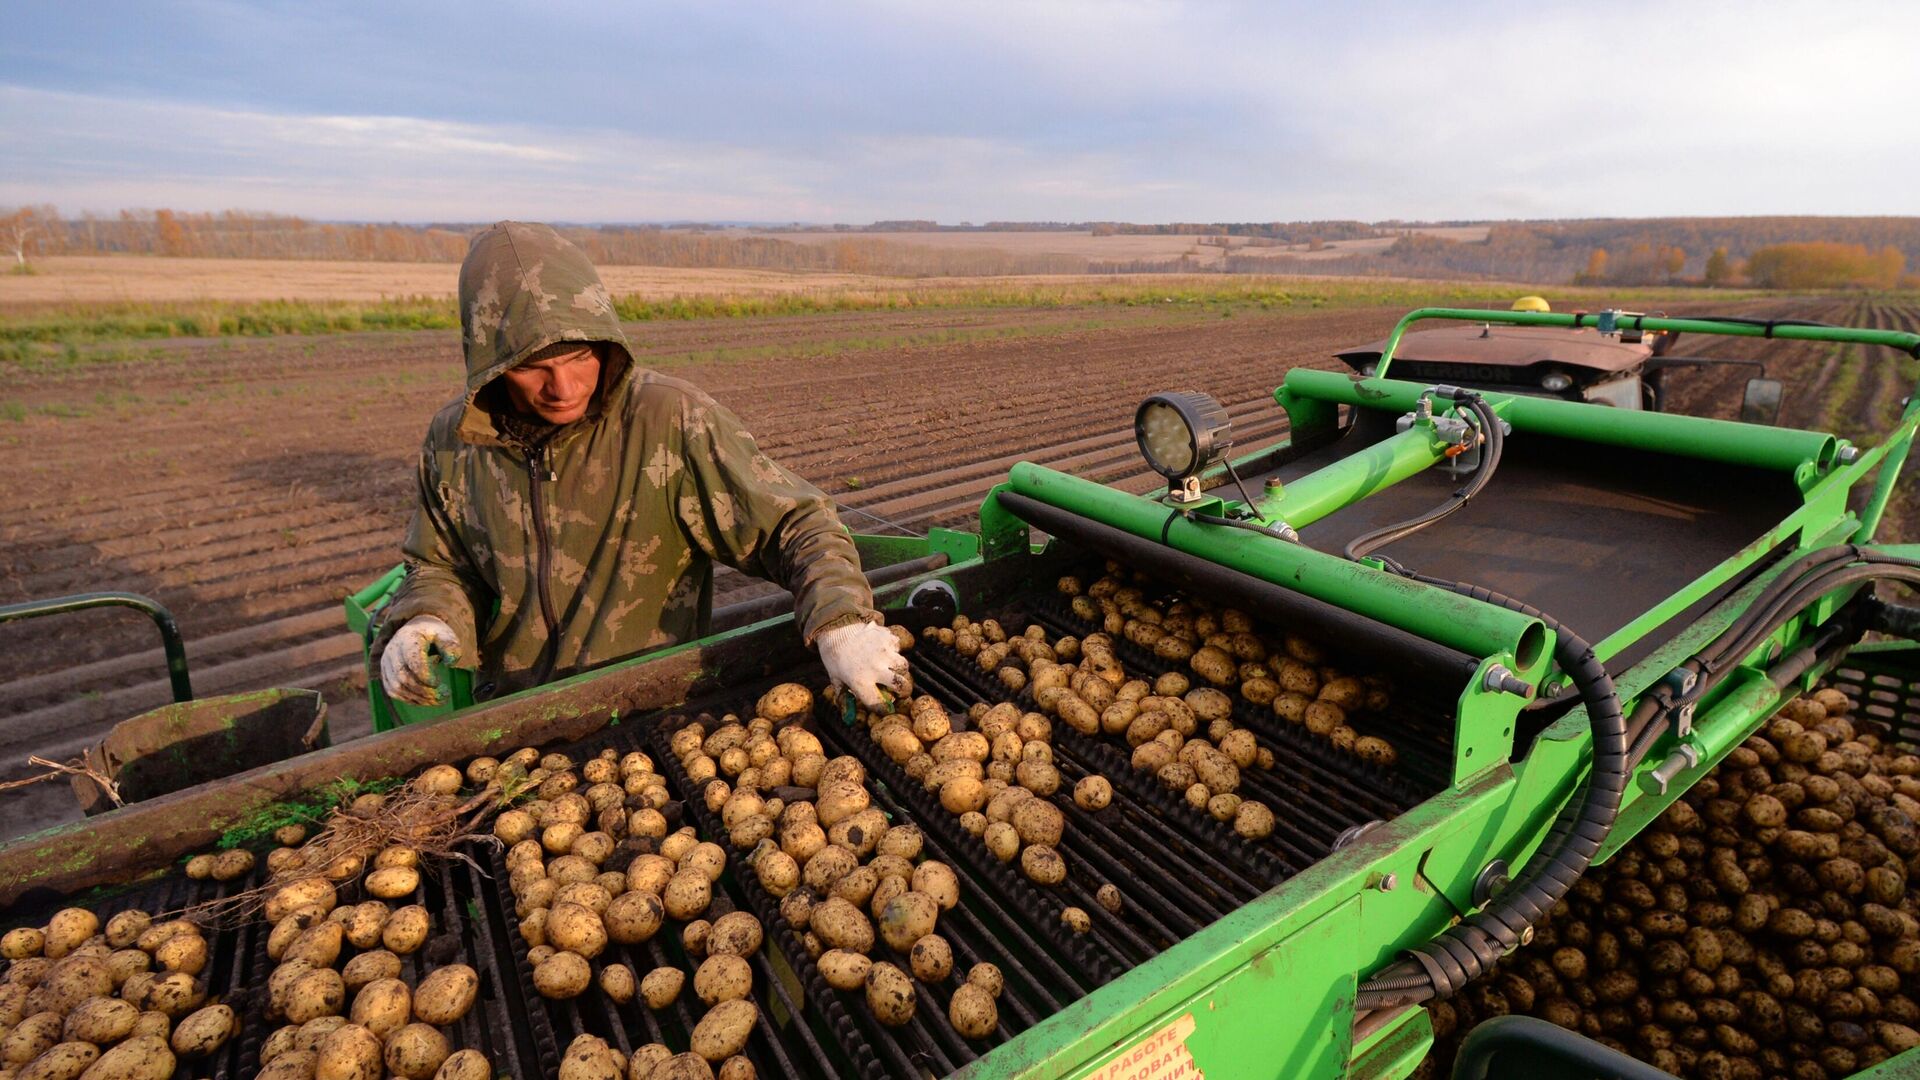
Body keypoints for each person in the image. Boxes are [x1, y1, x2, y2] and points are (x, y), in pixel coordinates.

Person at [373, 221, 908, 710]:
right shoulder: (457, 441)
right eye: (534, 368)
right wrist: (425, 616)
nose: (563, 388)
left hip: (651, 705)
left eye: (581, 358)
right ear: (490, 365)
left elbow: (795, 524)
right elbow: (440, 564)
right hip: (515, 713)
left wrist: (841, 622)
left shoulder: (668, 421)